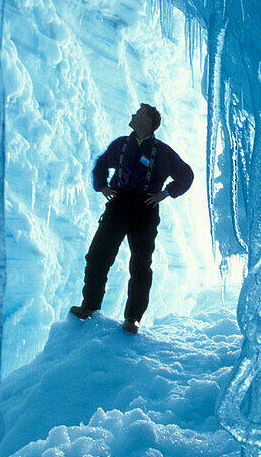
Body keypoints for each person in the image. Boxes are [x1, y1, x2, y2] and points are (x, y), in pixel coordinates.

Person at [70, 104, 194, 333]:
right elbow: (101, 164)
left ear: (147, 122)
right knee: (97, 256)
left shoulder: (164, 152)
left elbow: (187, 175)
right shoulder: (121, 144)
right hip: (118, 204)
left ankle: (133, 318)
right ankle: (89, 307)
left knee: (140, 264)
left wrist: (165, 193)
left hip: (145, 209)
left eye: (137, 114)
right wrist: (102, 187)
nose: (132, 116)